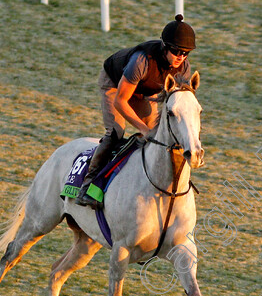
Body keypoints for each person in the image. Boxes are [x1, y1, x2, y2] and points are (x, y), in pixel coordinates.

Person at [75, 14, 196, 209]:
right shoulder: (141, 60)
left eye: (186, 53)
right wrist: (143, 128)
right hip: (115, 86)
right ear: (165, 46)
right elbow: (121, 101)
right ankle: (88, 186)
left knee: (159, 138)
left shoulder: (183, 67)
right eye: (176, 51)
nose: (180, 57)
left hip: (144, 92)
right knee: (116, 133)